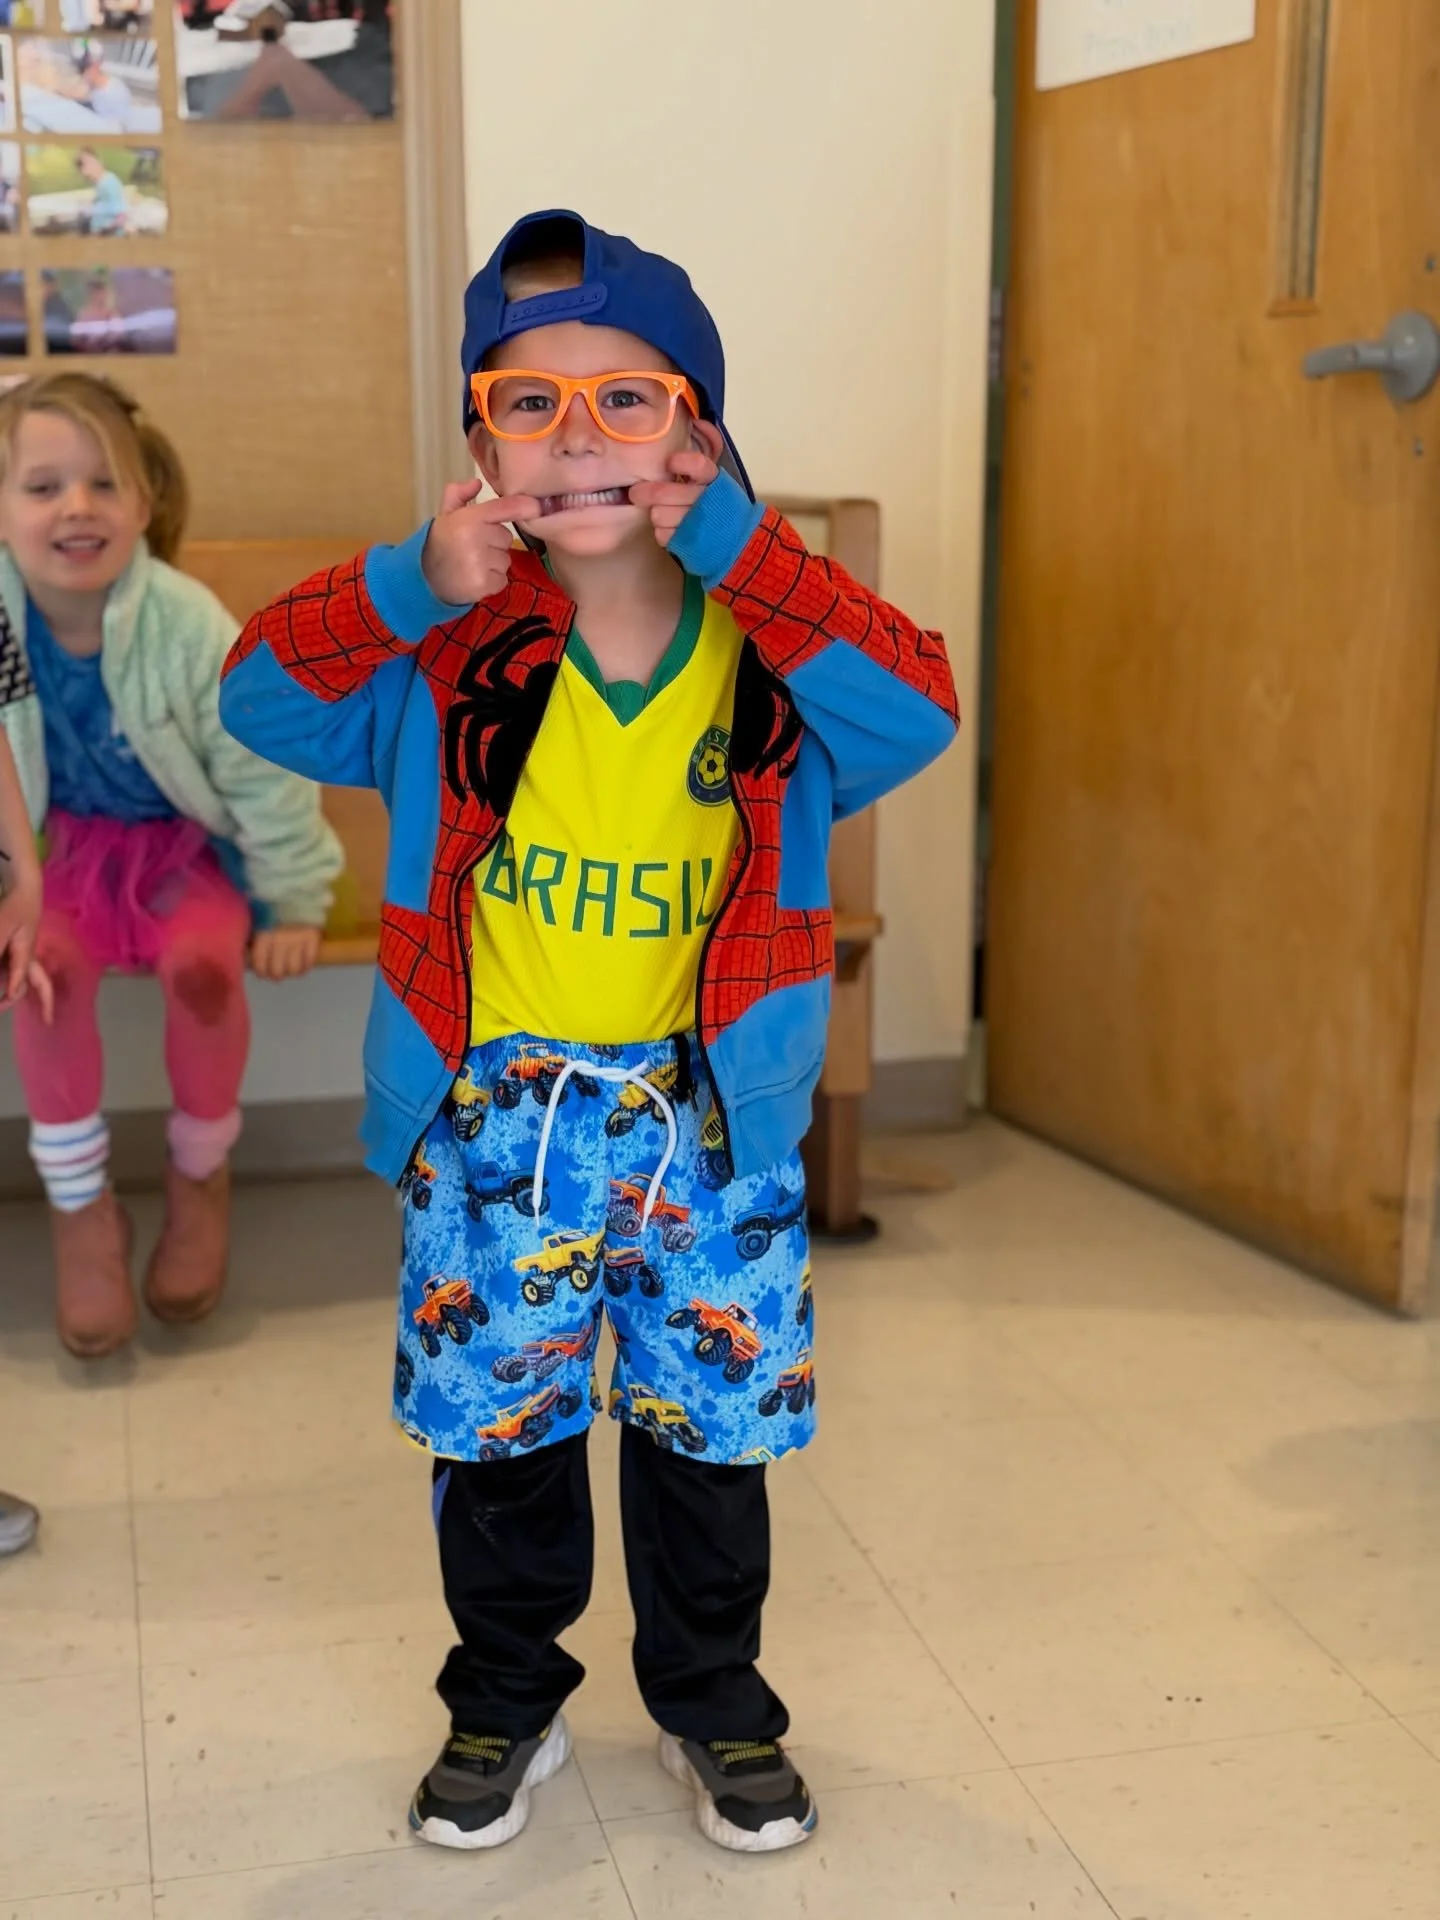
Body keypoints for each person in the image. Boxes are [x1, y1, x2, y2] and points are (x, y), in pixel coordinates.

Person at [219, 209, 958, 1856]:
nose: (578, 442)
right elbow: (258, 698)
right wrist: (415, 576)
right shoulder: (449, 642)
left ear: (698, 426)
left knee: (708, 1443)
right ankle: (503, 1699)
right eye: (525, 404)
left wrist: (757, 557)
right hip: (497, 1125)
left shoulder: (771, 644)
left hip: (715, 1124)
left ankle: (718, 1707)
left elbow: (918, 710)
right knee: (502, 1436)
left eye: (627, 401)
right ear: (479, 439)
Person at [0, 372, 342, 1358]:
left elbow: (263, 767)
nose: (76, 507)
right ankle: (83, 1212)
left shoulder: (186, 624)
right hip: (52, 861)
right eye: (42, 485)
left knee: (202, 971)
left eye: (105, 484)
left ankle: (200, 1176)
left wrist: (290, 900)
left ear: (145, 504)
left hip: (180, 854)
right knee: (43, 975)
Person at [77, 148, 127, 237]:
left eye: (91, 163)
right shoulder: (100, 182)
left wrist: (107, 230)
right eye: (83, 166)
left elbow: (121, 214)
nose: (85, 170)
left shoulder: (109, 183)